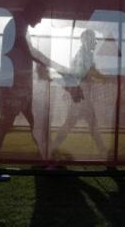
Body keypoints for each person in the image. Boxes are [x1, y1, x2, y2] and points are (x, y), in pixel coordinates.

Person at [0, 0, 68, 159]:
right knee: (6, 123)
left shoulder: (20, 24)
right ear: (32, 11)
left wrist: (56, 67)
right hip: (13, 87)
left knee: (34, 120)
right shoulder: (18, 23)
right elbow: (30, 52)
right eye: (40, 15)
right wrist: (59, 68)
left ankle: (47, 155)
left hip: (19, 86)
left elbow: (31, 51)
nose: (40, 20)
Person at [50, 29, 108, 158]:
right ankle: (103, 152)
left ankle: (53, 147)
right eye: (93, 40)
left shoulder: (85, 54)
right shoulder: (83, 55)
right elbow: (85, 72)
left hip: (81, 95)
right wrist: (104, 77)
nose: (95, 43)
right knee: (88, 124)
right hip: (81, 96)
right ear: (87, 40)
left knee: (75, 124)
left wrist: (100, 77)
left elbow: (88, 72)